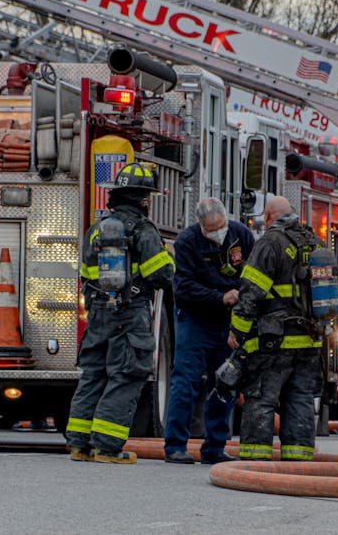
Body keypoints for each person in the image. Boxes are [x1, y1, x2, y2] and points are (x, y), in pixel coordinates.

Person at [66, 162, 175, 464]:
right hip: (130, 313)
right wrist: (170, 260)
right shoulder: (143, 229)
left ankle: (79, 443)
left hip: (97, 314)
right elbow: (161, 275)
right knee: (126, 375)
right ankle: (108, 446)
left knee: (94, 375)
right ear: (142, 199)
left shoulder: (95, 230)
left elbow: (87, 273)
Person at [228, 196, 326, 462]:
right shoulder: (316, 244)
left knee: (261, 399)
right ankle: (298, 461)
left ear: (269, 215)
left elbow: (251, 293)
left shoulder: (270, 243)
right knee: (301, 400)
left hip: (273, 342)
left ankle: (255, 462)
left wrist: (237, 330)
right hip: (309, 342)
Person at [164, 198, 254, 464]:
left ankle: (214, 446)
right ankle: (175, 445)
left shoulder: (241, 236)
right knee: (186, 380)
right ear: (201, 226)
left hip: (228, 322)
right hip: (196, 319)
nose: (218, 234)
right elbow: (183, 288)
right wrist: (219, 297)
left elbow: (252, 275)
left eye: (221, 227)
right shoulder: (187, 242)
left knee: (225, 382)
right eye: (211, 230)